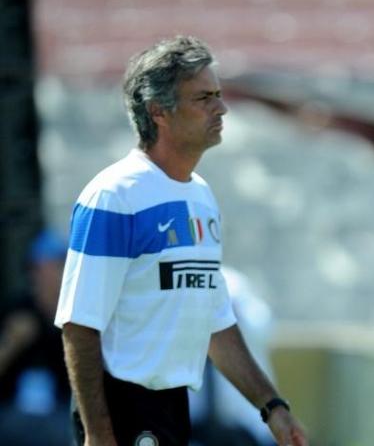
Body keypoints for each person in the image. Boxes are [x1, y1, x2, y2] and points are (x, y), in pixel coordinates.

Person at [54, 36, 308, 446]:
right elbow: (79, 325)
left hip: (172, 408)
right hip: (122, 410)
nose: (221, 108)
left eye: (219, 95)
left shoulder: (201, 198)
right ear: (159, 112)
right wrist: (99, 434)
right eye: (204, 98)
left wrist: (272, 407)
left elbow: (217, 323)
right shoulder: (113, 196)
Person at [189, 266, 278, 446]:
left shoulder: (231, 283)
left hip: (249, 431)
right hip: (192, 430)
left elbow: (262, 325)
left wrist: (224, 319)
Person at [0, 229, 71, 445]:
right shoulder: (15, 310)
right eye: (53, 265)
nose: (59, 273)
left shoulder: (75, 317)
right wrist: (11, 343)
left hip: (61, 413)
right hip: (12, 411)